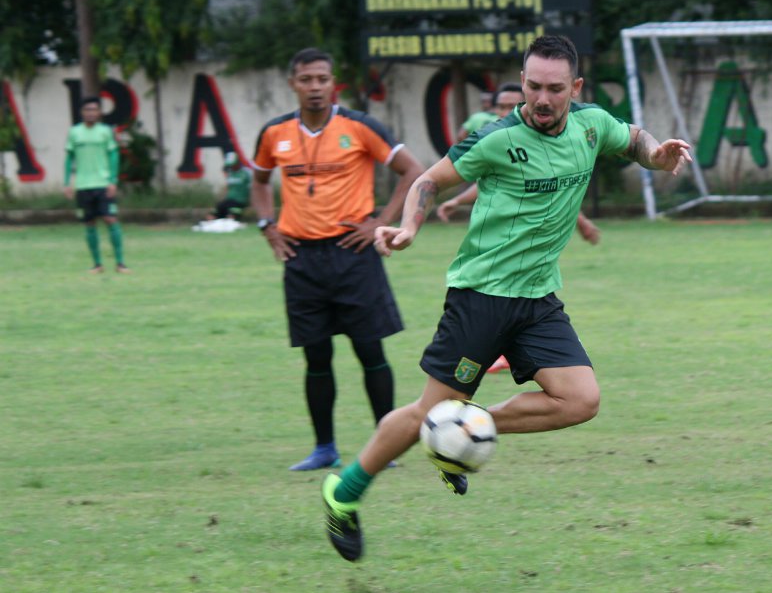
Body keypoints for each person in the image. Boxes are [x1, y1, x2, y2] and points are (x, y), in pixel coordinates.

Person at [321, 35, 691, 561]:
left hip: (539, 298)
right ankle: (344, 491)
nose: (543, 99)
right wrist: (407, 229)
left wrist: (655, 154)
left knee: (580, 400)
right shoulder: (496, 139)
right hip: (482, 297)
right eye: (534, 86)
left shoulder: (590, 124)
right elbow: (428, 181)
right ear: (522, 83)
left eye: (555, 89)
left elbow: (631, 138)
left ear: (575, 88)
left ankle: (463, 432)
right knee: (431, 410)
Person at [251, 48, 425, 472]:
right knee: (315, 356)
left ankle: (386, 449)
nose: (315, 87)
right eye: (307, 79)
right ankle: (324, 448)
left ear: (334, 84)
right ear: (293, 83)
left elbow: (413, 170)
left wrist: (380, 222)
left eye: (322, 79)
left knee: (370, 350)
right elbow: (257, 180)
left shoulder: (360, 126)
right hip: (302, 258)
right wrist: (266, 225)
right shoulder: (274, 132)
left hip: (354, 255)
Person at [438, 82, 601, 245]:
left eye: (511, 106)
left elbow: (555, 188)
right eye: (501, 107)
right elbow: (489, 182)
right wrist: (456, 201)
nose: (505, 113)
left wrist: (581, 222)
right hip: (497, 240)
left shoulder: (537, 144)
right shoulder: (495, 141)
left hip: (526, 240)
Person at [63, 96, 130, 273]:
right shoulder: (75, 132)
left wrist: (113, 180)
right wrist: (67, 182)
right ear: (82, 112)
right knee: (89, 223)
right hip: (83, 185)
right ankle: (97, 264)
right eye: (87, 110)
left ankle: (120, 263)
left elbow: (114, 156)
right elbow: (69, 158)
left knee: (111, 219)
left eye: (94, 110)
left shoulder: (105, 132)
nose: (91, 113)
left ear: (99, 112)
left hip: (102, 184)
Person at [207, 151, 251, 220]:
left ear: (237, 162)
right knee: (215, 211)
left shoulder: (246, 173)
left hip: (240, 201)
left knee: (231, 213)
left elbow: (252, 188)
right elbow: (227, 188)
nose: (231, 166)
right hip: (229, 200)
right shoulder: (230, 173)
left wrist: (250, 202)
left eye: (233, 164)